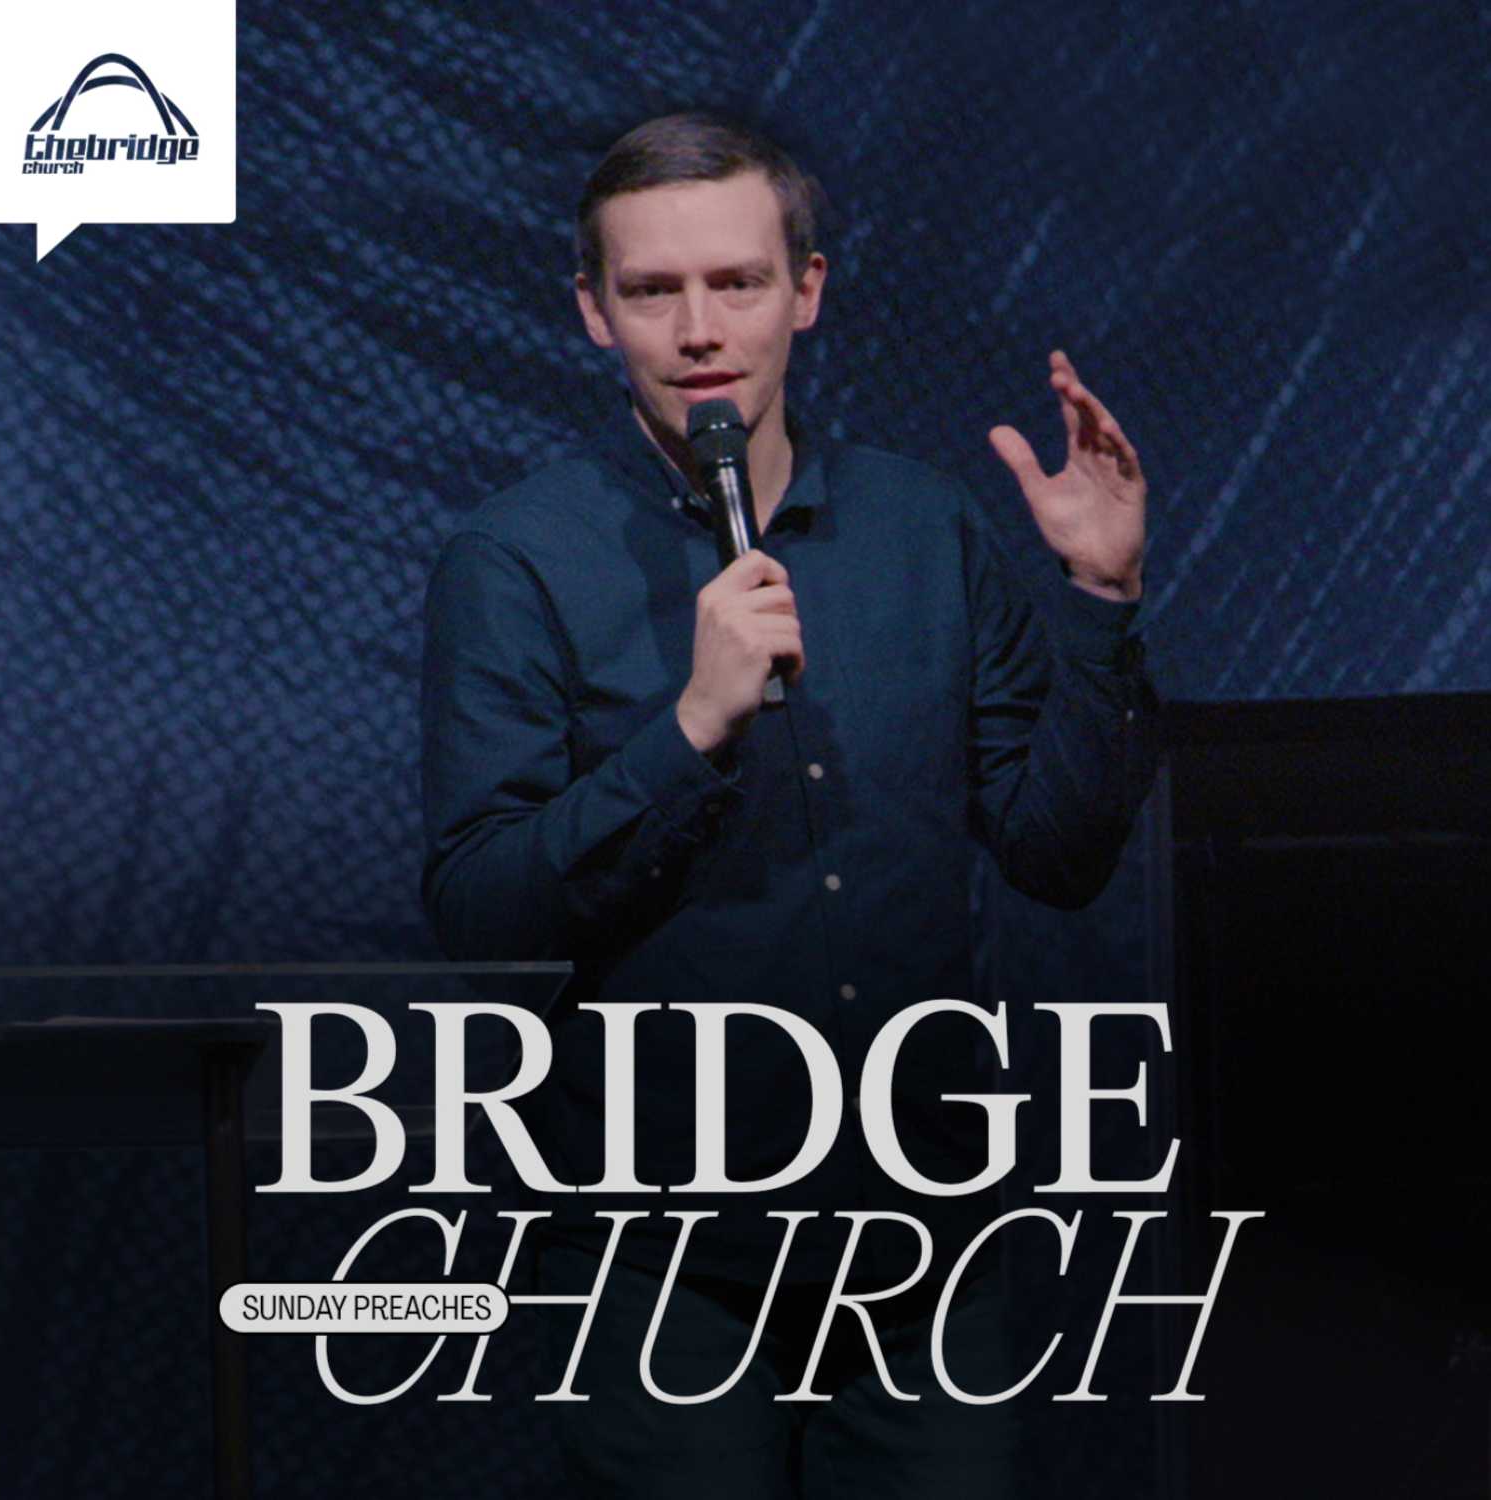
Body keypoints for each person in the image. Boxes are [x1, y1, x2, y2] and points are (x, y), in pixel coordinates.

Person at [421, 112, 1156, 1497]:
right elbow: (482, 911)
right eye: (653, 289)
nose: (700, 328)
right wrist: (690, 728)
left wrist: (1100, 600)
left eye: (739, 282)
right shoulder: (517, 558)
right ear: (593, 312)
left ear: (805, 291)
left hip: (924, 1248)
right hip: (655, 1260)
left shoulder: (923, 527)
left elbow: (1057, 855)